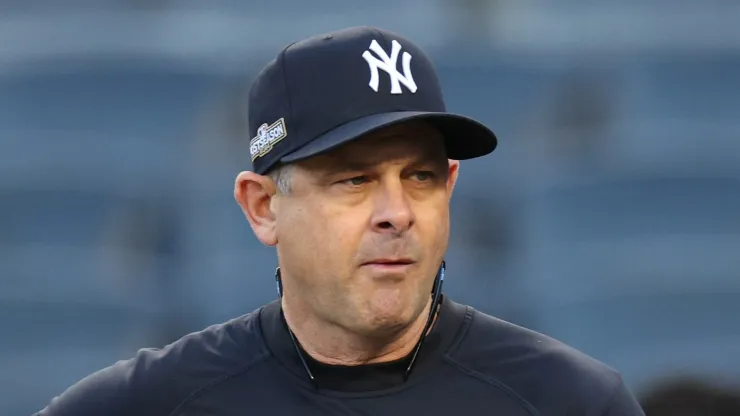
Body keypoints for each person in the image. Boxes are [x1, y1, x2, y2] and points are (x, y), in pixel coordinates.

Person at [35, 26, 645, 415]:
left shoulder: (571, 401)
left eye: (421, 177)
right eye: (353, 179)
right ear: (263, 207)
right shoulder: (148, 404)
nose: (397, 214)